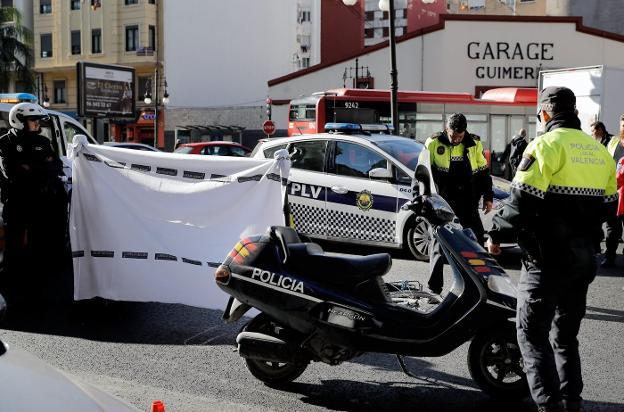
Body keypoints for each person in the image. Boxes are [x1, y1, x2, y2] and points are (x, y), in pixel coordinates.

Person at [487, 87, 617, 412]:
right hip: (584, 260)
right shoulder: (599, 151)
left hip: (547, 260)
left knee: (531, 335)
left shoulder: (544, 145)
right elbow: (609, 208)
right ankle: (572, 401)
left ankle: (549, 406)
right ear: (573, 112)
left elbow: (519, 204)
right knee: (565, 336)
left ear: (545, 113)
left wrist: (494, 233)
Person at [0, 102, 68, 304]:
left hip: (41, 203)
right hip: (17, 203)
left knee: (40, 245)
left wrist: (32, 168)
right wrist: (40, 166)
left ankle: (37, 288)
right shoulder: (5, 142)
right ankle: (12, 286)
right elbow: (11, 171)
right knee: (14, 246)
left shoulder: (43, 141)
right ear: (20, 120)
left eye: (38, 120)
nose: (37, 123)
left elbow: (56, 166)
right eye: (33, 120)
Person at [421, 113, 493, 295]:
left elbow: (484, 173)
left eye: (459, 137)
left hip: (468, 199)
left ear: (465, 132)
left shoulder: (474, 143)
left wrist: (488, 196)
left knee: (476, 240)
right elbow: (422, 172)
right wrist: (423, 198)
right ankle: (434, 288)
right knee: (438, 242)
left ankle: (482, 284)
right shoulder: (434, 142)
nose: (455, 139)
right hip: (443, 201)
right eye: (453, 135)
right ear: (447, 129)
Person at [602, 115, 624, 266]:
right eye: (622, 125)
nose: (623, 128)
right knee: (612, 228)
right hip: (613, 191)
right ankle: (609, 256)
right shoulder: (614, 142)